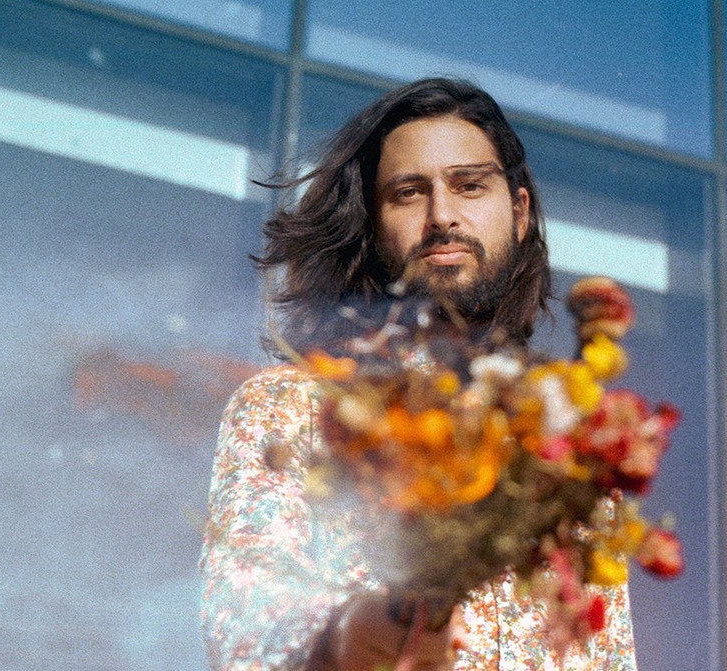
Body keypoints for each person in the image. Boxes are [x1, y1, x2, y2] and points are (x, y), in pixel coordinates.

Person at [200, 78, 637, 670]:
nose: (442, 216)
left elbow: (608, 658)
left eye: (469, 185)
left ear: (519, 212)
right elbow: (242, 623)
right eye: (408, 193)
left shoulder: (567, 449)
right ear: (374, 224)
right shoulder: (292, 407)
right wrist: (344, 635)